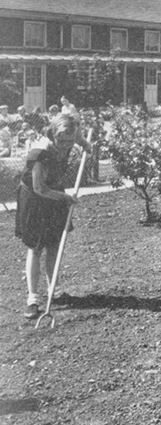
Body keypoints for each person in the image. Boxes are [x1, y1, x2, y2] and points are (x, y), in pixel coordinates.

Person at [14, 114, 92, 318]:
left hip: (54, 194)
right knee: (36, 247)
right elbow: (39, 188)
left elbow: (78, 138)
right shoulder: (40, 152)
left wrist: (85, 144)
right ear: (53, 133)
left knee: (55, 245)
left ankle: (53, 291)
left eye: (70, 140)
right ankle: (32, 298)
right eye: (62, 141)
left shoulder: (69, 136)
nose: (66, 145)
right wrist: (65, 197)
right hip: (34, 198)